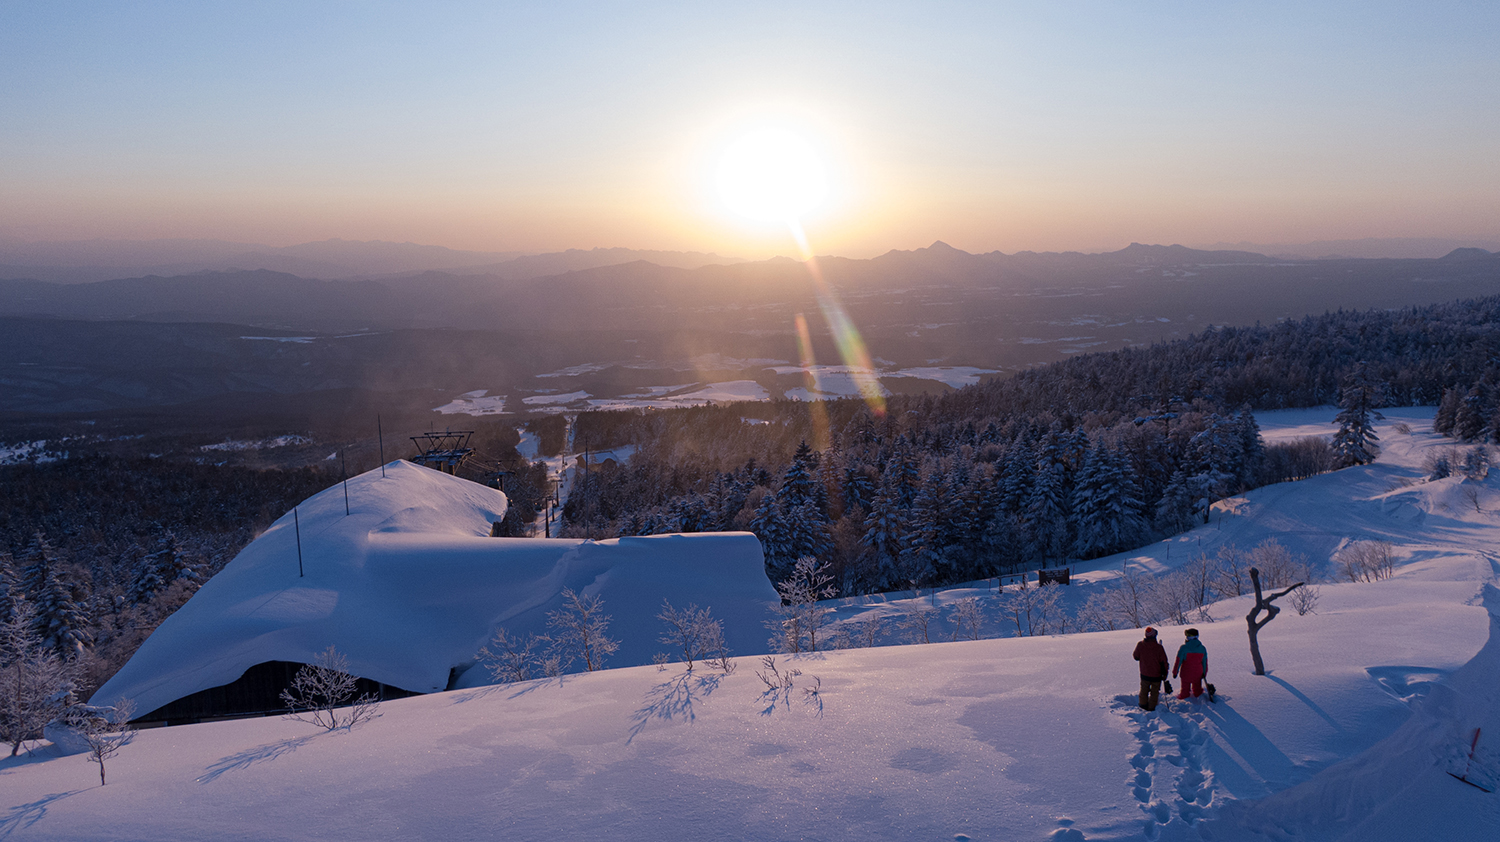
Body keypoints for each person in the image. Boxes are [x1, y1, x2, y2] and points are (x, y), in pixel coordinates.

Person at [1133, 626, 1170, 710]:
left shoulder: (1140, 645)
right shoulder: (1159, 648)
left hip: (1144, 673)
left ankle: (1143, 705)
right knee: (1154, 692)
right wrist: (1165, 674)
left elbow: (1136, 656)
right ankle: (1151, 707)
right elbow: (1164, 662)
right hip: (1156, 675)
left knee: (1144, 691)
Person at [1173, 628, 1209, 699]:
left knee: (1185, 690)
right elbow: (1204, 662)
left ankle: (1184, 698)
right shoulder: (1202, 648)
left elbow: (1178, 661)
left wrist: (1175, 672)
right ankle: (1199, 699)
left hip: (1186, 673)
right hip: (1198, 673)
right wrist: (1204, 673)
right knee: (1198, 690)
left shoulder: (1184, 648)